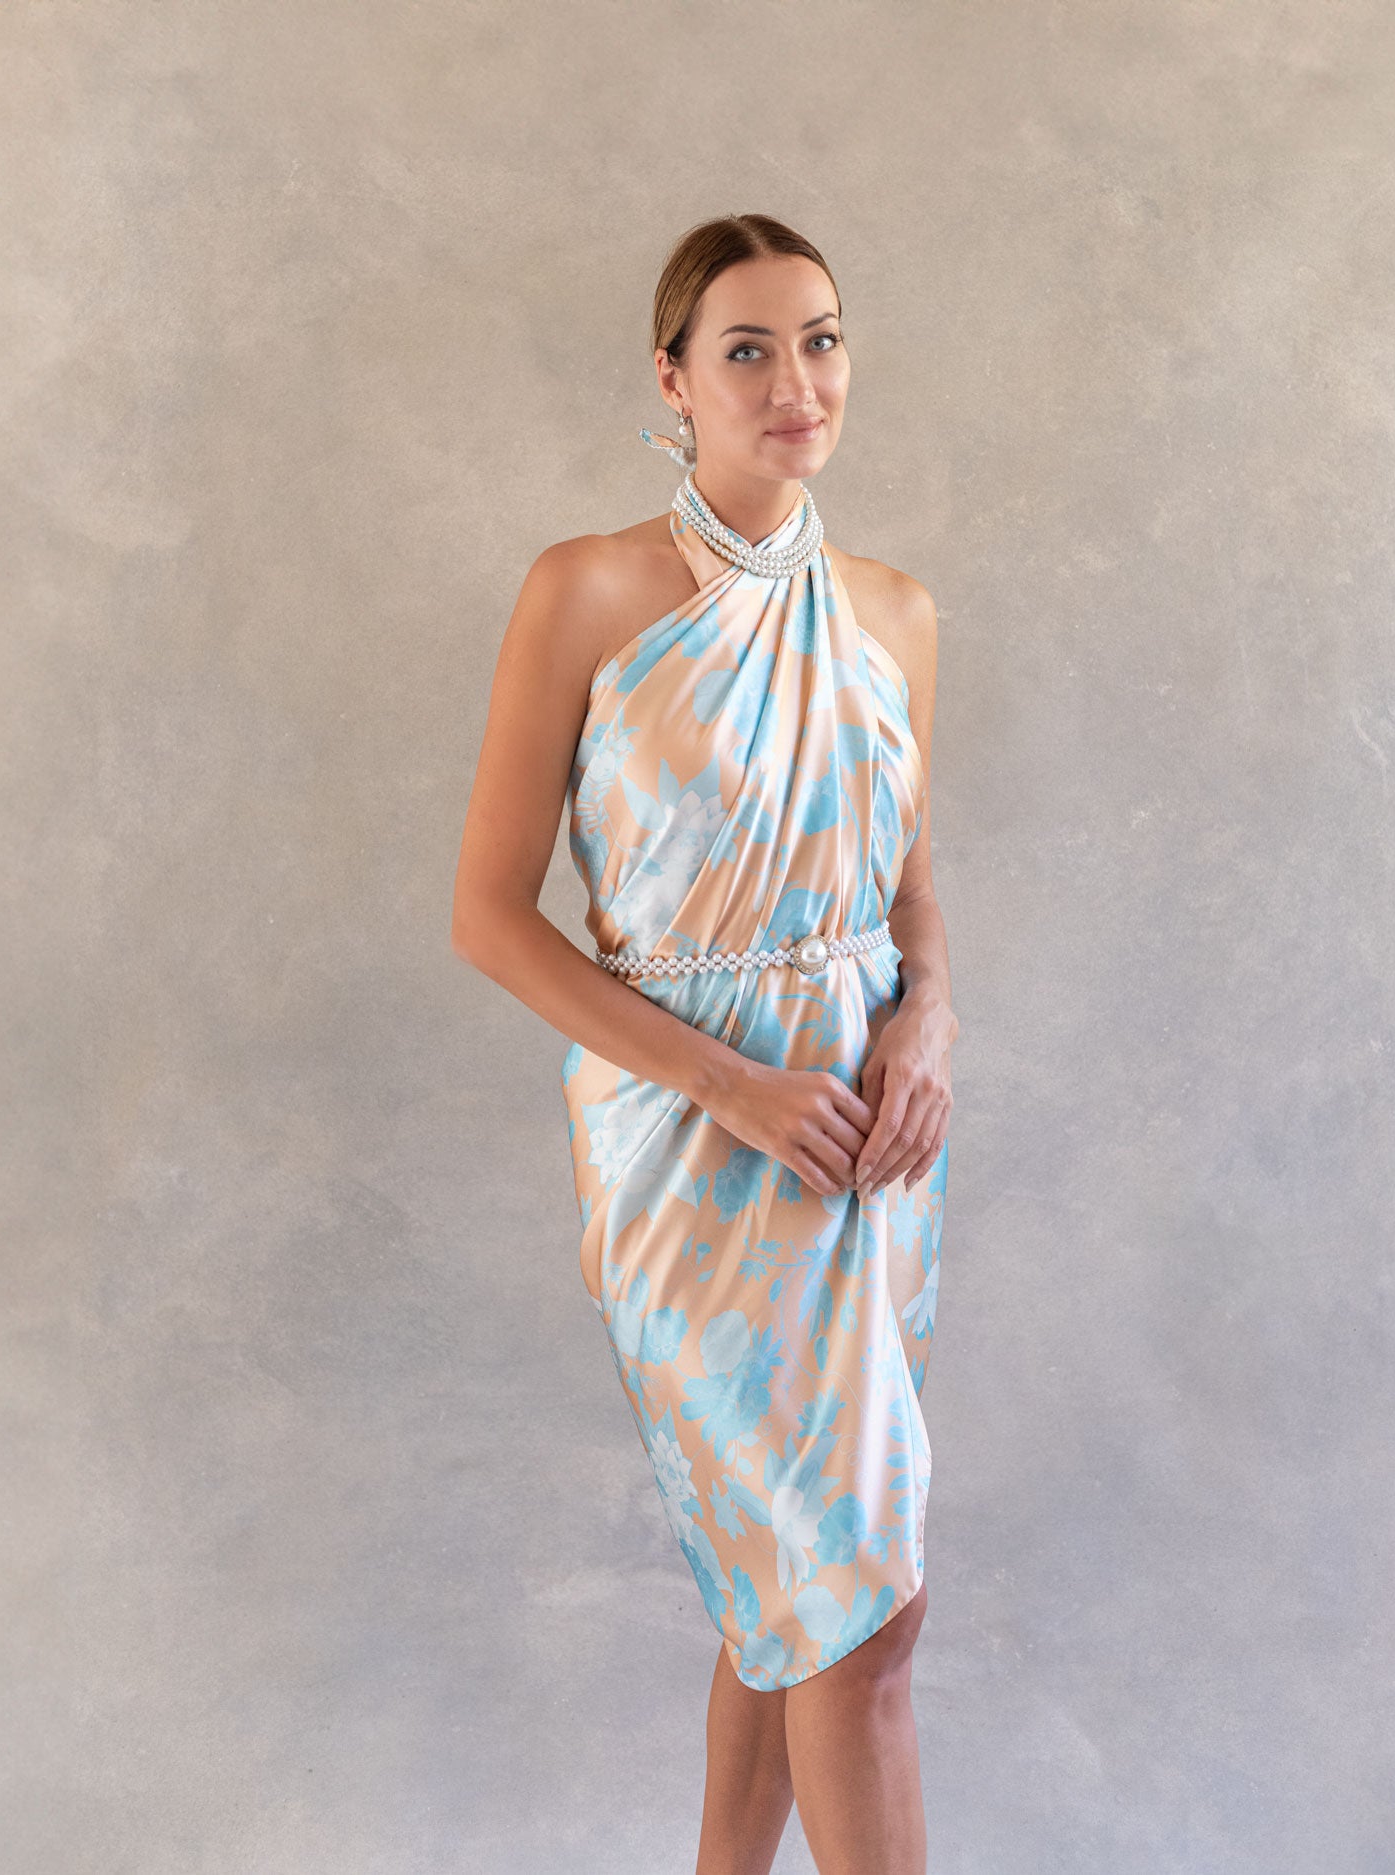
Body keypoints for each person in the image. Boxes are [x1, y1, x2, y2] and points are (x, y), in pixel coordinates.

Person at [451, 213, 958, 1875]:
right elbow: (491, 916)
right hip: (693, 1147)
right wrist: (731, 1081)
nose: (793, 380)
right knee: (858, 1618)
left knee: (791, 1592)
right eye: (745, 349)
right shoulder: (587, 589)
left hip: (866, 1158)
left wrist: (931, 1017)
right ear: (671, 384)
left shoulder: (894, 614)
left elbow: (907, 885)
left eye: (818, 339)